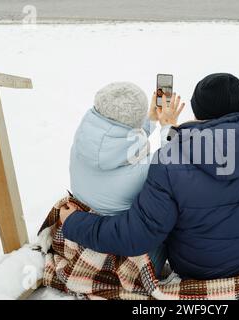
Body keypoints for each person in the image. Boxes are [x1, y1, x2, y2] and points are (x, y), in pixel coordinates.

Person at [61, 73, 239, 280]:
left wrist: (73, 222)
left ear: (197, 111)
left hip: (197, 268)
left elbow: (139, 234)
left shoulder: (169, 160)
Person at [68, 82, 183, 277]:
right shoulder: (143, 173)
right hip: (121, 246)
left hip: (81, 230)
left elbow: (120, 142)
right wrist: (168, 127)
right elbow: (175, 160)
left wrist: (148, 120)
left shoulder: (83, 142)